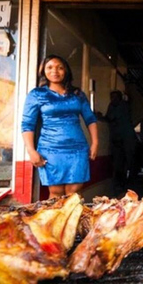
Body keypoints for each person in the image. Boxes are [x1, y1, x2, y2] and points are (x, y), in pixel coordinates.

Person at [21, 55, 98, 199]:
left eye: (60, 67)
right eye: (49, 67)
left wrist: (95, 143)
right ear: (43, 70)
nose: (55, 71)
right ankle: (56, 222)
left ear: (66, 71)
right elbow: (27, 124)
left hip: (77, 149)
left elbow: (90, 119)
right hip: (50, 150)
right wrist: (31, 150)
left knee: (74, 193)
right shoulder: (37, 94)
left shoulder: (77, 94)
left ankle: (75, 222)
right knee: (55, 193)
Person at [103, 90, 137, 196]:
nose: (113, 99)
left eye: (116, 97)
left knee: (129, 162)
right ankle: (122, 185)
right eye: (112, 97)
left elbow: (110, 118)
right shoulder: (112, 106)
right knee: (118, 164)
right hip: (117, 141)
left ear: (120, 98)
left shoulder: (123, 106)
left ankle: (130, 185)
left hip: (126, 139)